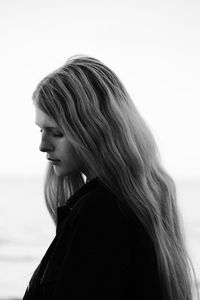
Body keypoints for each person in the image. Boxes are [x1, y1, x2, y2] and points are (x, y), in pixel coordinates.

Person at [23, 55, 198, 300]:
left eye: (57, 132)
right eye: (41, 130)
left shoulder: (100, 211)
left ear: (94, 128)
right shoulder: (128, 204)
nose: (43, 145)